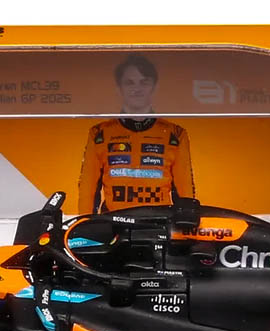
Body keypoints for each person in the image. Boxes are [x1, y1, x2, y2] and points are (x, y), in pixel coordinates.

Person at [78, 54, 195, 213]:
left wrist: (186, 221)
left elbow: (185, 193)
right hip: (113, 222)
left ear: (154, 87)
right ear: (119, 88)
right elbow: (88, 191)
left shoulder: (175, 134)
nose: (137, 88)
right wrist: (85, 224)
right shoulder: (100, 134)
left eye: (144, 82)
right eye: (129, 82)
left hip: (158, 222)